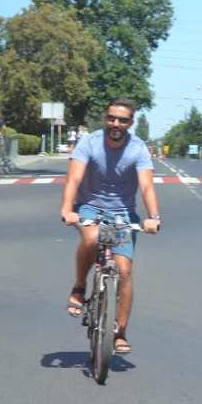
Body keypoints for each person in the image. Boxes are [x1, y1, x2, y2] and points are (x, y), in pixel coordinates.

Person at [60, 98, 160, 356]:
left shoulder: (138, 148)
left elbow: (147, 186)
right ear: (105, 118)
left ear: (131, 122)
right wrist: (68, 209)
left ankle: (120, 333)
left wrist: (153, 215)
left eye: (122, 120)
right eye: (111, 118)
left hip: (123, 214)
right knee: (92, 239)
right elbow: (74, 177)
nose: (116, 124)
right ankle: (80, 286)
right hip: (91, 207)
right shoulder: (90, 143)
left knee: (124, 269)